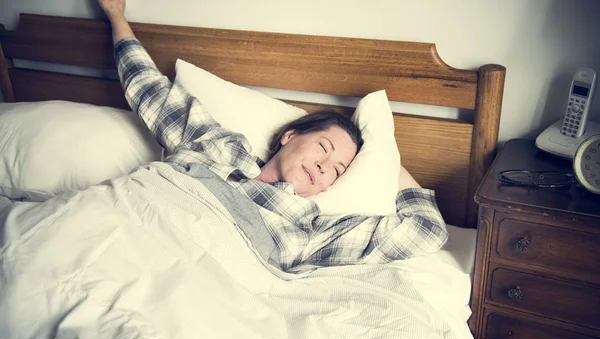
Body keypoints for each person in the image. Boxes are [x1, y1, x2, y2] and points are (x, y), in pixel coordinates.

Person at [97, 0, 449, 271]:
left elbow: (425, 231)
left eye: (339, 170)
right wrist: (116, 16)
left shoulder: (310, 228)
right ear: (289, 136)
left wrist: (386, 151)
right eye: (323, 148)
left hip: (195, 275)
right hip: (126, 224)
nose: (326, 167)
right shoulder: (219, 147)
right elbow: (151, 89)